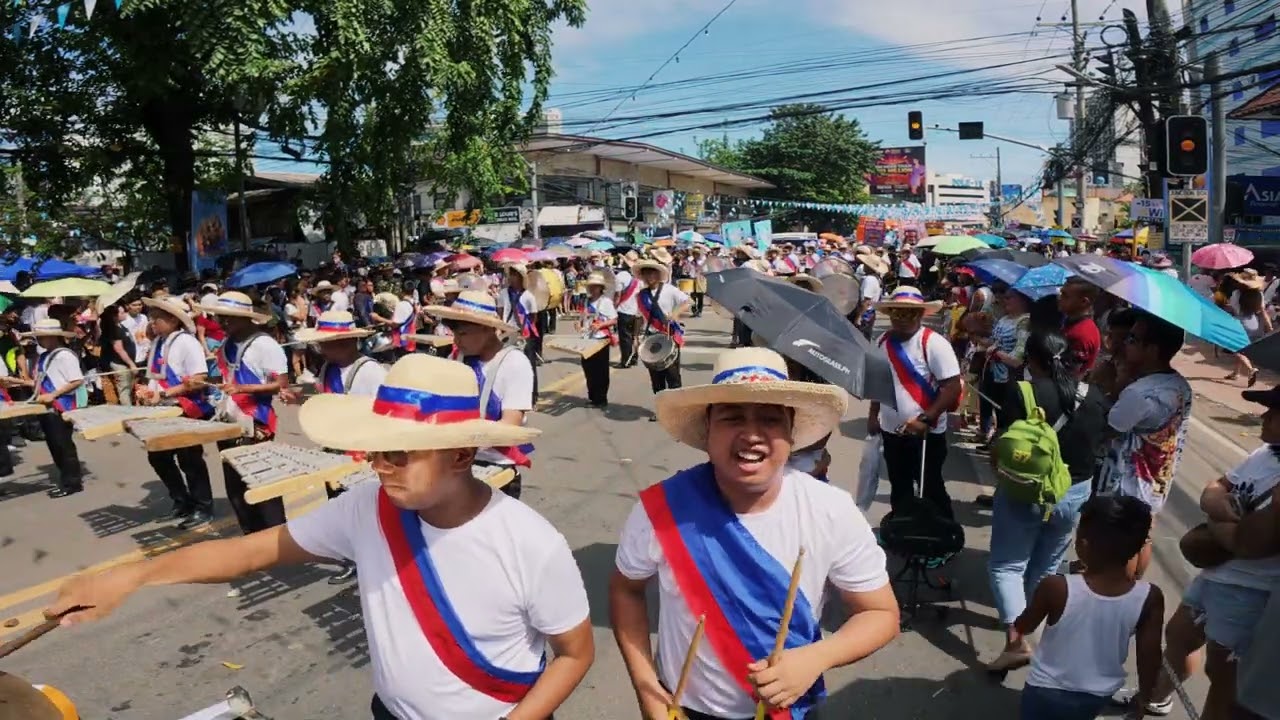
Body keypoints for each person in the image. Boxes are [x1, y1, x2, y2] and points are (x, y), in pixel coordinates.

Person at [47, 354, 594, 720]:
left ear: (460, 453)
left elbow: (574, 655)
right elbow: (250, 551)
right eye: (376, 450)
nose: (380, 466)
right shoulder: (366, 508)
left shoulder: (528, 541)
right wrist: (131, 575)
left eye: (399, 453)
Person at [610, 347, 898, 720]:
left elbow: (880, 613)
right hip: (684, 709)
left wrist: (817, 657)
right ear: (707, 430)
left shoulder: (831, 511)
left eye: (769, 419)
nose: (751, 435)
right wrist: (647, 688)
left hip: (787, 710)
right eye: (732, 417)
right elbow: (625, 590)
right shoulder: (661, 511)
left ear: (791, 433)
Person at [1133, 385, 1280, 718]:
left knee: (1222, 675)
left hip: (1250, 591)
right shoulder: (1265, 455)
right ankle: (1156, 696)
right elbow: (1214, 489)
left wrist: (1216, 520)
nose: (1265, 417)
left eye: (1275, 412)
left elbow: (1247, 543)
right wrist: (1218, 508)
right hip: (1217, 574)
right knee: (1179, 634)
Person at [985, 330, 1110, 671]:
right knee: (1045, 566)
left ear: (1032, 361)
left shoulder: (1022, 392)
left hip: (1024, 490)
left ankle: (1015, 640)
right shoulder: (1095, 396)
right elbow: (1098, 447)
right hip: (1072, 492)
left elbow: (1004, 446)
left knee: (1007, 565)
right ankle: (1031, 630)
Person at [1014, 496, 1164, 720]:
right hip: (1097, 695)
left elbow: (1025, 625)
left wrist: (1016, 626)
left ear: (1083, 544)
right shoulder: (1150, 597)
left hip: (1045, 691)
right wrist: (1145, 699)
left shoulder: (1056, 587)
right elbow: (1149, 655)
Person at [287, 309, 388, 584]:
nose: (320, 349)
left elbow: (384, 413)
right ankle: (350, 557)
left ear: (345, 342)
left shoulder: (370, 372)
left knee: (364, 509)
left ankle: (371, 559)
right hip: (334, 448)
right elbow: (324, 399)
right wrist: (299, 401)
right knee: (339, 506)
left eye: (324, 343)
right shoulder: (327, 368)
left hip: (361, 451)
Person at [1095, 311, 1192, 577]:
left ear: (1152, 349)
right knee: (1142, 537)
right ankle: (1130, 585)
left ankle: (1114, 589)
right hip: (1156, 479)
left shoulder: (1139, 392)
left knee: (1118, 543)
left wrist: (1116, 383)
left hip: (1125, 482)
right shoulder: (1179, 385)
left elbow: (1106, 429)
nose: (1125, 342)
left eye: (1132, 339)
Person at [425, 290, 535, 501]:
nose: (456, 341)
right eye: (455, 334)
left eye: (463, 334)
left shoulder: (513, 363)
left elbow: (510, 425)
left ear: (487, 329)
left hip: (495, 466)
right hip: (455, 464)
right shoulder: (456, 358)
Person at [868, 287, 962, 520]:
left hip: (925, 432)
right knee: (899, 484)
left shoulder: (933, 343)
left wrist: (926, 418)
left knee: (929, 486)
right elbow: (879, 382)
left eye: (909, 313)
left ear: (920, 315)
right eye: (897, 313)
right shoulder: (882, 342)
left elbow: (952, 387)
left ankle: (943, 536)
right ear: (890, 313)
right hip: (892, 429)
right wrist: (873, 414)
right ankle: (904, 527)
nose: (902, 319)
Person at [201, 291, 290, 534]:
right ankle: (251, 535)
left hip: (256, 420)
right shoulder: (226, 344)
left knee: (262, 482)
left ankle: (275, 536)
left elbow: (281, 383)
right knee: (235, 487)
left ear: (245, 318)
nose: (223, 323)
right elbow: (222, 376)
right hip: (229, 420)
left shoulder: (265, 344)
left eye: (229, 318)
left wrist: (242, 387)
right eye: (221, 317)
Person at [137, 296, 218, 529]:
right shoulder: (159, 343)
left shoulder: (186, 342)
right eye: (151, 318)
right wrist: (148, 391)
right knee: (158, 456)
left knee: (190, 460)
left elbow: (199, 379)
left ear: (173, 320)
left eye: (157, 318)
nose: (152, 323)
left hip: (185, 408)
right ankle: (182, 501)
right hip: (161, 410)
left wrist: (164, 394)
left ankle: (203, 507)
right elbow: (156, 376)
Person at [21, 319, 85, 497]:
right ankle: (65, 478)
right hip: (45, 406)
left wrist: (54, 394)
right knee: (54, 445)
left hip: (60, 406)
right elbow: (40, 381)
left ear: (53, 337)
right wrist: (18, 381)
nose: (38, 341)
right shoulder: (44, 356)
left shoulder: (65, 355)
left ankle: (72, 483)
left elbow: (77, 380)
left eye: (41, 337)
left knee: (63, 445)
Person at [633, 252, 692, 409]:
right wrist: (635, 337)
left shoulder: (669, 290)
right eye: (646, 272)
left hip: (669, 335)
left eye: (652, 272)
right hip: (651, 337)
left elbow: (688, 301)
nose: (649, 275)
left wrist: (675, 314)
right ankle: (661, 408)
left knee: (672, 375)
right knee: (655, 376)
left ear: (658, 274)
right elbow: (639, 317)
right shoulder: (641, 296)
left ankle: (678, 407)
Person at [979, 288, 1031, 446]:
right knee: (988, 404)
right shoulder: (1003, 319)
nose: (1005, 300)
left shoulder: (1025, 321)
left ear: (1022, 300)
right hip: (992, 370)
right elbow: (994, 341)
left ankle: (1002, 444)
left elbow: (1018, 358)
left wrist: (998, 353)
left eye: (1010, 298)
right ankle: (990, 436)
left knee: (1004, 411)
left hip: (1009, 375)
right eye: (1004, 297)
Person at [1227, 269, 1271, 387]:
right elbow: (1263, 312)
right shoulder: (1259, 294)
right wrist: (1269, 327)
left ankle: (1251, 369)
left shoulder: (1236, 293)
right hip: (1254, 324)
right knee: (1243, 348)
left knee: (1235, 348)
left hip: (1239, 322)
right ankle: (1236, 373)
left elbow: (1233, 309)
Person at [579, 272, 617, 408]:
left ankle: (601, 398)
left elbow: (614, 319)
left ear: (601, 288)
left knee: (600, 370)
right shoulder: (586, 301)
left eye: (596, 286)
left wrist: (601, 325)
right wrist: (579, 324)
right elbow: (583, 318)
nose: (593, 289)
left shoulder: (605, 302)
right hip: (587, 338)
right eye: (591, 286)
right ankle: (592, 395)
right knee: (587, 367)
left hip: (601, 339)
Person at [1057, 278, 1102, 379]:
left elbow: (1069, 376)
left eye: (1065, 296)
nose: (1059, 298)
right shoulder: (1071, 323)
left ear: (1083, 302)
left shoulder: (1080, 334)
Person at [97, 303, 137, 406]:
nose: (126, 314)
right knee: (124, 391)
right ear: (115, 316)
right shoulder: (113, 330)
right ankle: (128, 413)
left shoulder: (119, 326)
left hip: (124, 363)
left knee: (127, 389)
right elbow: (119, 349)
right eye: (122, 312)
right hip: (120, 364)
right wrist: (131, 364)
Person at [614, 255, 641, 368]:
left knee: (625, 338)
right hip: (638, 311)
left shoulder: (621, 276)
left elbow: (618, 295)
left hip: (624, 310)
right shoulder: (640, 276)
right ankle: (634, 358)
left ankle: (626, 361)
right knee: (635, 336)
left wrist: (613, 308)